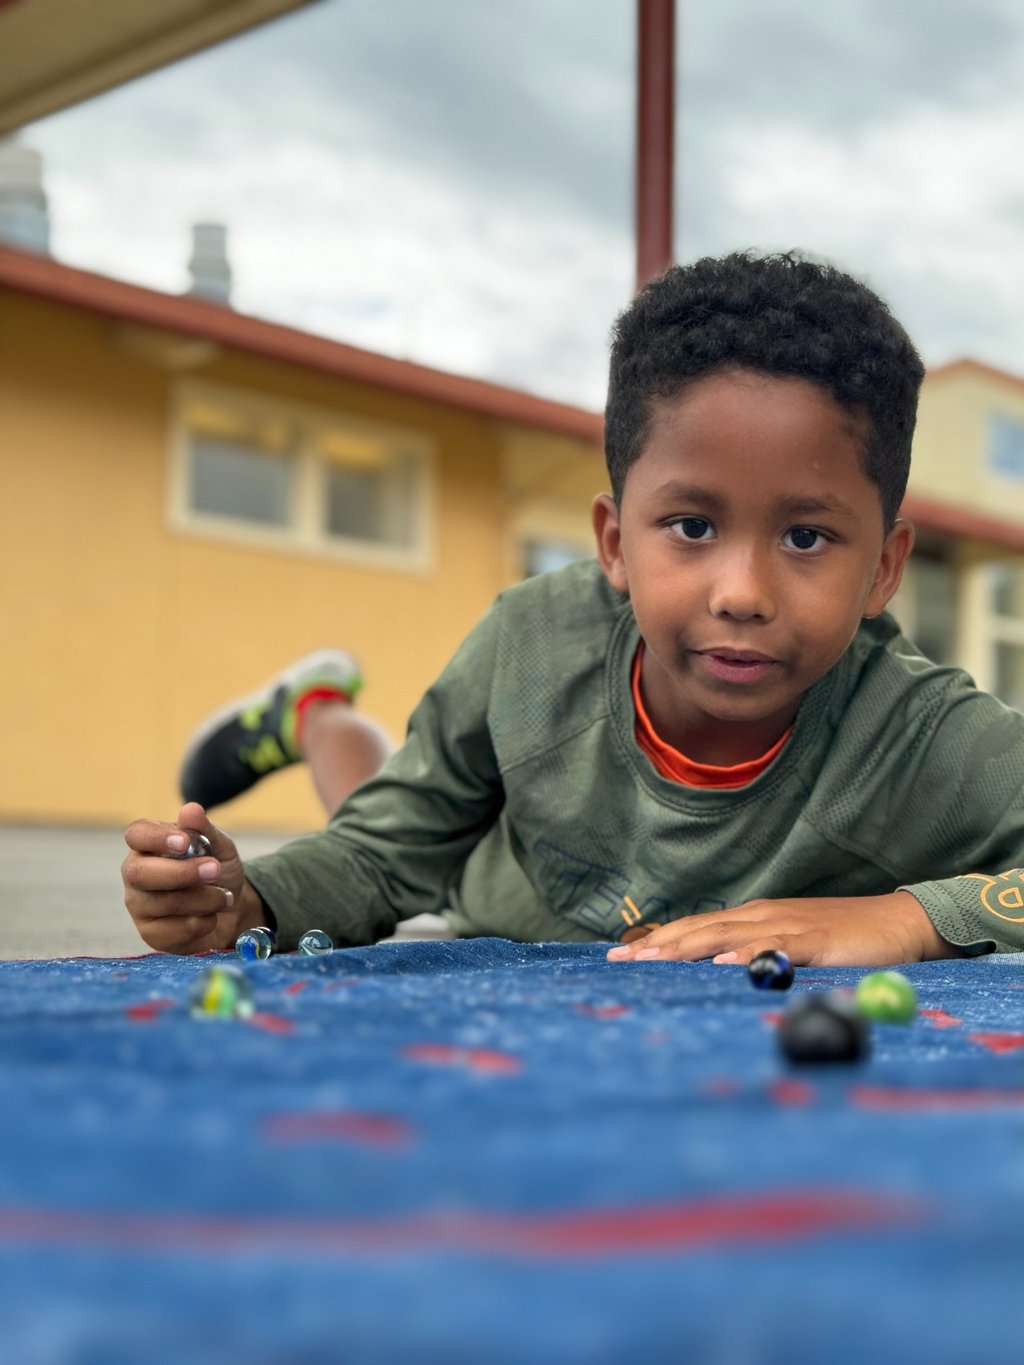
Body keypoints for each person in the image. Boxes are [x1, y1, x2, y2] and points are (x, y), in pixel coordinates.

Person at [122, 250, 1024, 965]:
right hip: (489, 876)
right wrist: (251, 901)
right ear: (614, 544)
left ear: (884, 568)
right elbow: (380, 856)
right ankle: (315, 713)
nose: (742, 594)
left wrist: (910, 917)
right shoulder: (533, 649)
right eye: (691, 525)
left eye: (805, 539)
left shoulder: (921, 738)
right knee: (388, 810)